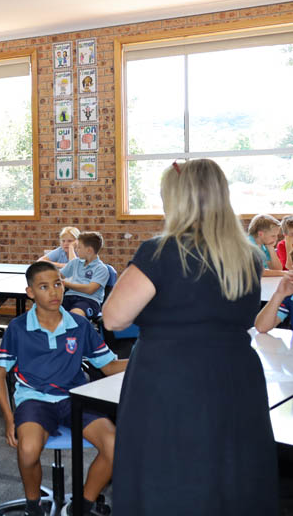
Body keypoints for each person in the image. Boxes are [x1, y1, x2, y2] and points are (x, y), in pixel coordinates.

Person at [102, 159, 278, 515]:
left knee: (171, 475)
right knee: (228, 470)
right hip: (235, 377)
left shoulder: (161, 251)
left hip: (172, 381)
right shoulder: (247, 256)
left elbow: (114, 318)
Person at [0, 261, 125, 516]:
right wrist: (9, 419)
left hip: (75, 398)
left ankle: (81, 506)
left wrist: (145, 359)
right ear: (30, 292)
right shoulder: (18, 328)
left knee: (115, 445)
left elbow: (109, 366)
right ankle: (34, 506)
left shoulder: (80, 325)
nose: (53, 292)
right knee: (28, 451)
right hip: (34, 399)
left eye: (57, 284)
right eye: (44, 287)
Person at [59, 232, 110, 320]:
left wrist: (65, 284)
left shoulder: (101, 268)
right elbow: (58, 275)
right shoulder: (75, 262)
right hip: (68, 297)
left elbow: (90, 289)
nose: (76, 250)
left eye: (79, 247)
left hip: (89, 301)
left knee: (75, 316)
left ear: (89, 250)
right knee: (47, 310)